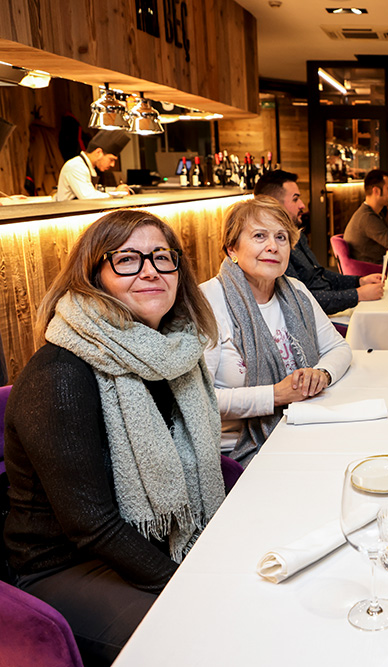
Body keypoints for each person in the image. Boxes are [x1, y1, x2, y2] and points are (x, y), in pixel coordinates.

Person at [3, 209, 224, 665]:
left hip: (153, 542)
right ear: (93, 277)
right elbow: (92, 526)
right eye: (126, 259)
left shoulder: (173, 354)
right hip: (66, 565)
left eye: (162, 257)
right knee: (206, 634)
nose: (150, 271)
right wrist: (193, 583)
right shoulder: (60, 375)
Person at [201, 197, 352, 464]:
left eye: (281, 237)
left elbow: (338, 348)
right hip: (239, 452)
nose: (273, 246)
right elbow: (200, 400)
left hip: (303, 424)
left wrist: (321, 374)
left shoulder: (296, 291)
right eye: (259, 236)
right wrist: (275, 395)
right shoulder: (207, 302)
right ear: (232, 249)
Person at [254, 169, 384, 314]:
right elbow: (301, 300)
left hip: (329, 309)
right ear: (273, 205)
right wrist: (357, 295)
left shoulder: (297, 236)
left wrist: (359, 282)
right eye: (295, 199)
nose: (302, 205)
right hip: (316, 317)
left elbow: (320, 275)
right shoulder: (273, 249)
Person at [55, 130, 131, 201]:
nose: (112, 164)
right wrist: (115, 194)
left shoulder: (90, 168)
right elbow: (88, 197)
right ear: (98, 152)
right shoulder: (76, 166)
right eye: (111, 159)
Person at [343, 169, 388, 264]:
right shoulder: (367, 218)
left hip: (376, 265)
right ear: (376, 191)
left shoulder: (375, 213)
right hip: (370, 270)